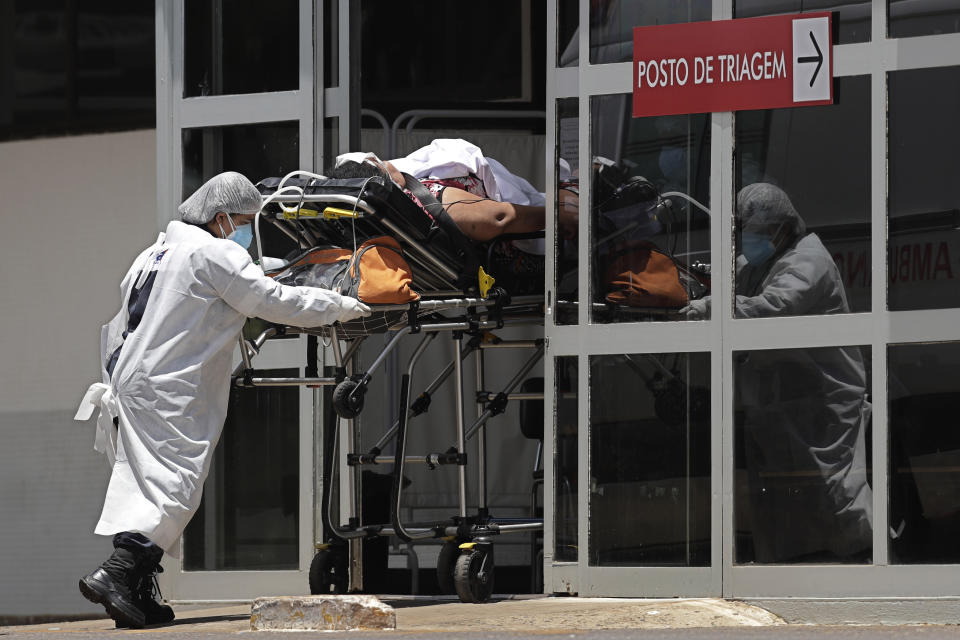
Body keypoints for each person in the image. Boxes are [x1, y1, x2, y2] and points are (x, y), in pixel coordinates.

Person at [74, 172, 370, 628]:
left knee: (145, 483)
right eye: (247, 221)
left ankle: (134, 589)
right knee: (176, 482)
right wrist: (338, 304)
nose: (249, 231)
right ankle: (116, 574)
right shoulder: (214, 252)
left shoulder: (155, 253)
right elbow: (271, 301)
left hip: (133, 380)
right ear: (222, 218)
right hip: (169, 386)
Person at [684, 183, 872, 562]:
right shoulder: (758, 263)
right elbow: (730, 285)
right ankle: (795, 568)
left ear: (783, 228)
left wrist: (709, 307)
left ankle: (868, 558)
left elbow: (774, 306)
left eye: (757, 233)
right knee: (784, 492)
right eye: (745, 231)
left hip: (823, 397)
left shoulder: (808, 260)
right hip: (784, 397)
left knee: (836, 488)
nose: (749, 240)